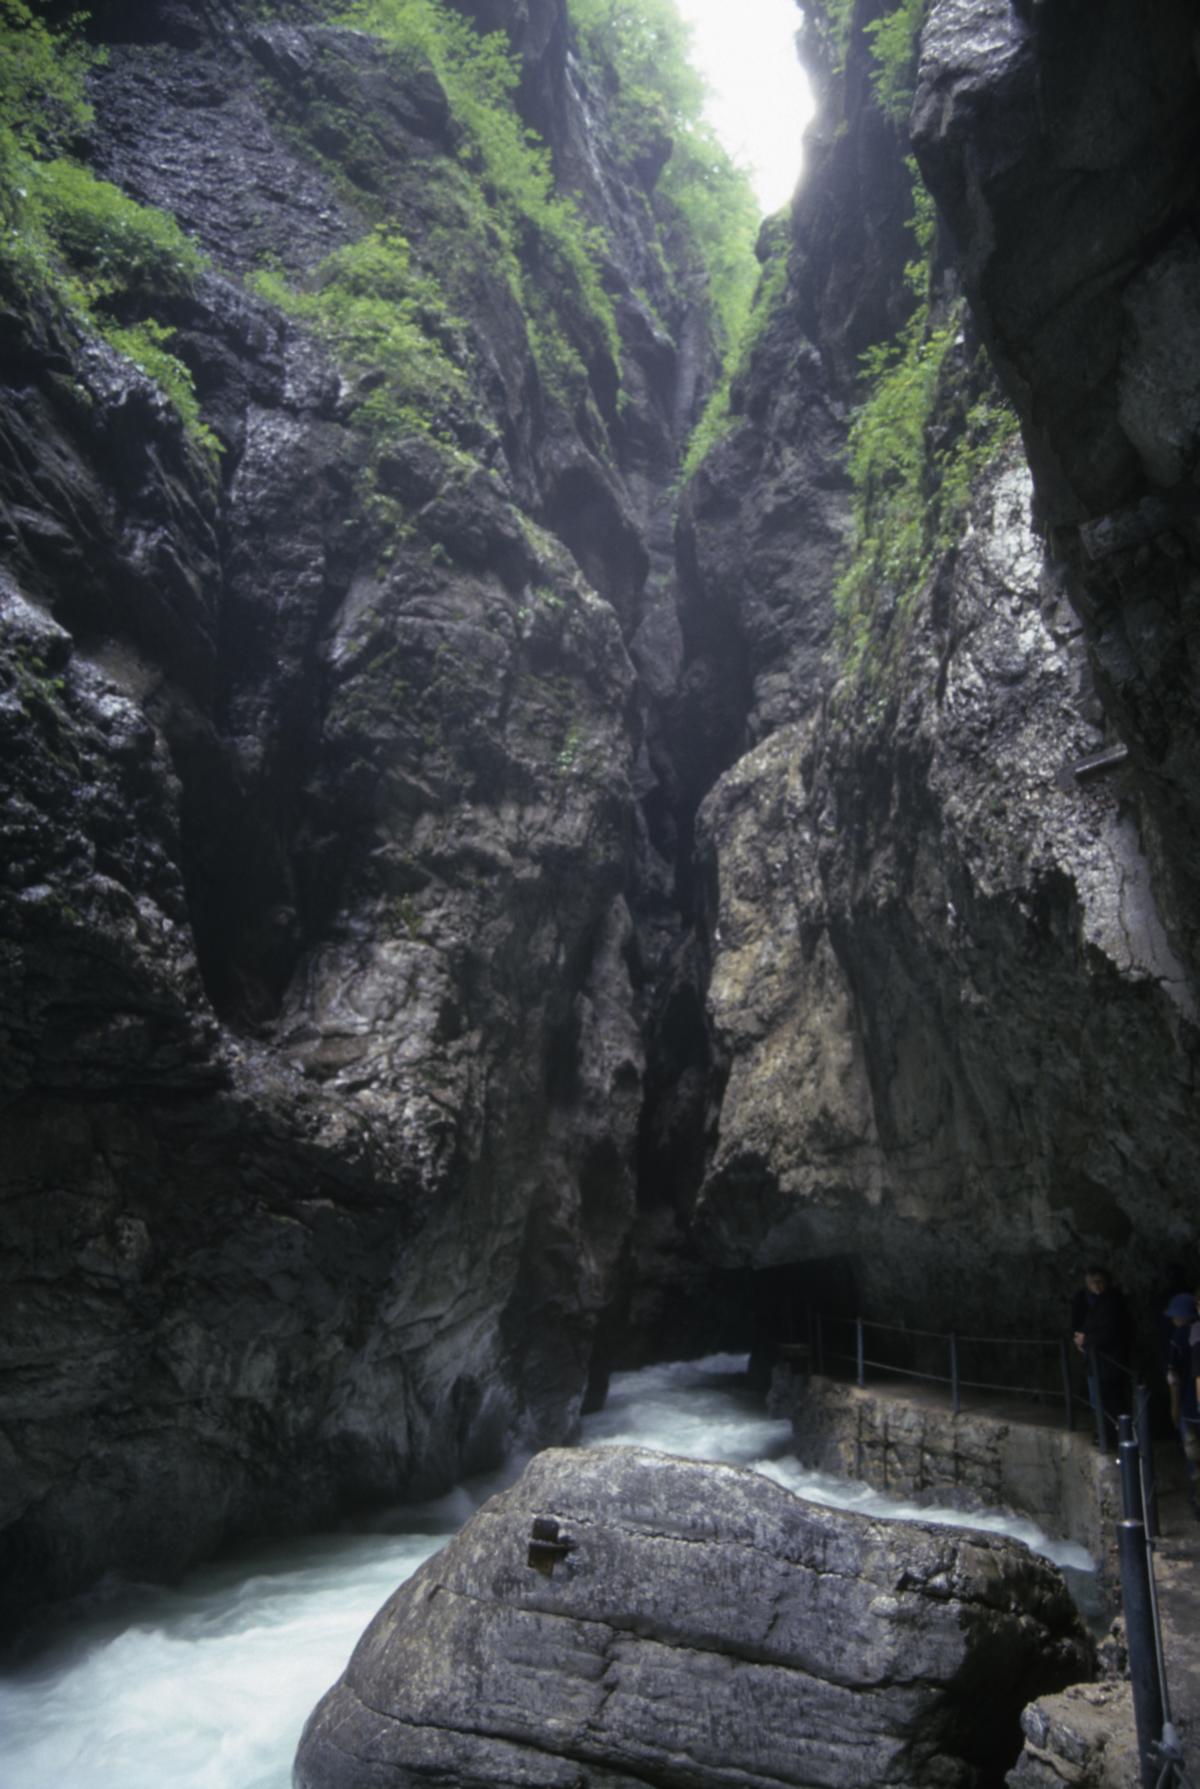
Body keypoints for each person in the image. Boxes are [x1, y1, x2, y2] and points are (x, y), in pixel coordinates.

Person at [1071, 1266, 1132, 1444]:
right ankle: (1109, 1434)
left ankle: (1112, 1437)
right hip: (1100, 1360)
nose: (1096, 1286)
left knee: (1110, 1400)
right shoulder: (1101, 1301)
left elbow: (1110, 1331)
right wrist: (1082, 1338)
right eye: (1092, 1283)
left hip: (1108, 1361)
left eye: (1099, 1282)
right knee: (1103, 1399)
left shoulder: (1111, 1301)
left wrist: (1087, 1339)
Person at [1165, 1291, 1200, 1519]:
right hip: (1191, 1405)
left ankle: (1197, 1502)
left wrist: (1174, 1407)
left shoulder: (1180, 1337)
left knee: (1193, 1458)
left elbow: (1173, 1376)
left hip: (1190, 1406)